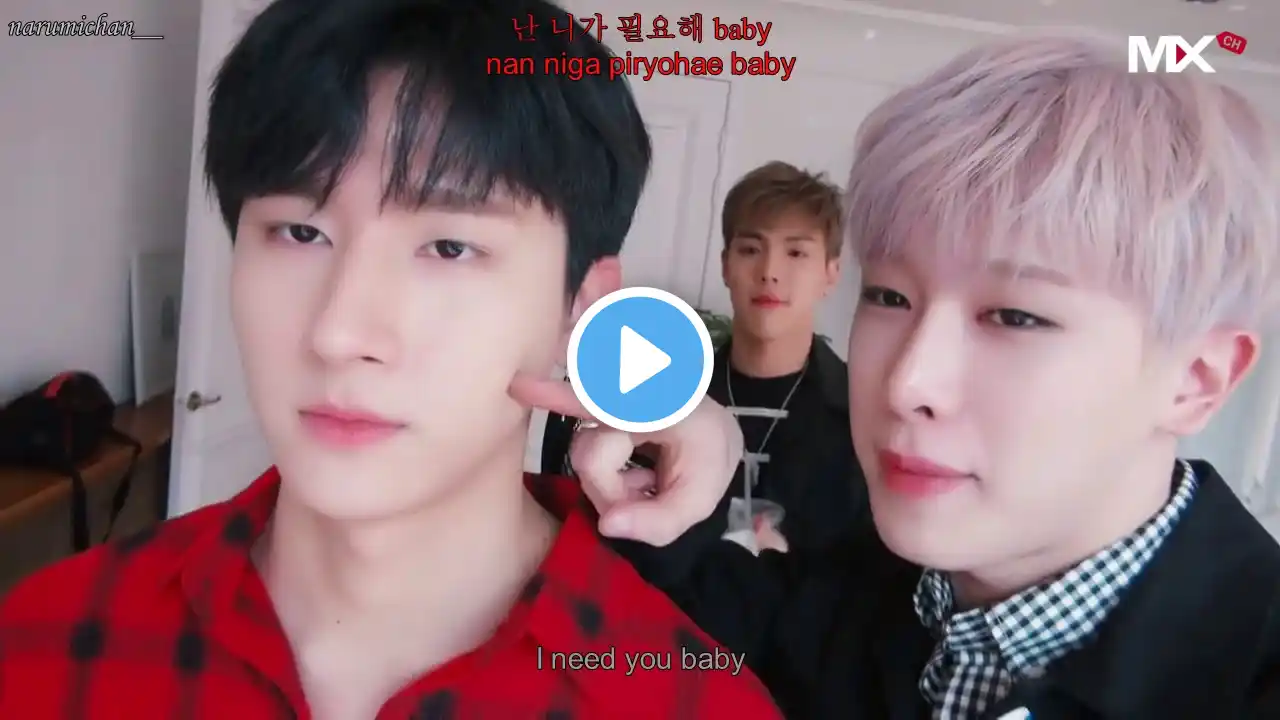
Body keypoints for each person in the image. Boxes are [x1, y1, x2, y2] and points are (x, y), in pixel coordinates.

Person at [0, 1, 782, 718]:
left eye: (449, 247)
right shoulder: (44, 645)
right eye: (301, 233)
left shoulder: (694, 703)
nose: (339, 332)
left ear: (580, 306)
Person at [512, 35, 1280, 718]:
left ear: (1197, 380)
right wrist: (675, 498)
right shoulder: (856, 598)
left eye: (1015, 316)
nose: (907, 381)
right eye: (888, 297)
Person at [542, 161, 869, 556]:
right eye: (751, 249)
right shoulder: (660, 395)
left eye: (796, 252)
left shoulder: (864, 418)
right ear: (726, 265)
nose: (769, 272)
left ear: (831, 274)